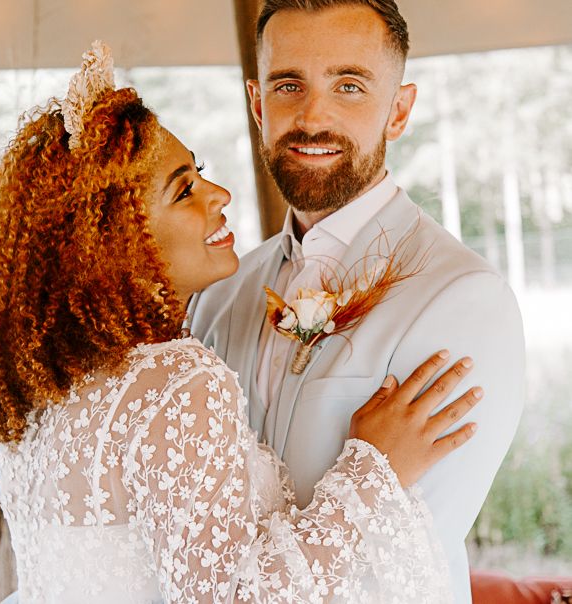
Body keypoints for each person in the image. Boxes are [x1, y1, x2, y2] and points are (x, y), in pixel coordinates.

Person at [0, 42, 481, 604]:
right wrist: (374, 469)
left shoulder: (46, 392)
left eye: (202, 172)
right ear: (111, 242)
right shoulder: (173, 382)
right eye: (183, 190)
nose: (218, 195)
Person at [190, 1, 526, 603]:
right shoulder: (217, 297)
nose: (312, 115)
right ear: (258, 105)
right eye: (288, 85)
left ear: (398, 111)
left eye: (348, 86)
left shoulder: (463, 299)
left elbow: (396, 570)